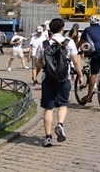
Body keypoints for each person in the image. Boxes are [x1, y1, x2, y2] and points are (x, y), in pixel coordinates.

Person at [37, 18, 82, 147]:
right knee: (62, 104)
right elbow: (76, 61)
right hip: (64, 78)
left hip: (48, 78)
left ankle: (48, 137)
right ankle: (60, 124)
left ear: (50, 29)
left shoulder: (43, 43)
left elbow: (38, 63)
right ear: (63, 29)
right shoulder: (69, 42)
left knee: (48, 108)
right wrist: (80, 75)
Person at [78, 16, 100, 105]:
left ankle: (89, 96)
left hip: (97, 52)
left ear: (90, 22)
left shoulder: (87, 30)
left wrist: (76, 48)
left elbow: (81, 41)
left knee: (93, 74)